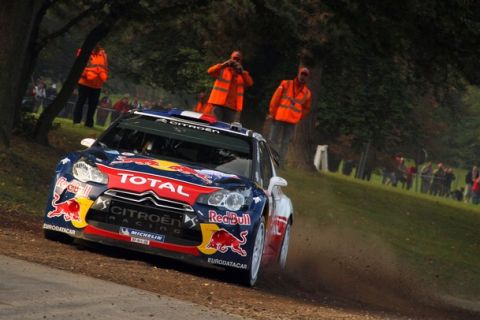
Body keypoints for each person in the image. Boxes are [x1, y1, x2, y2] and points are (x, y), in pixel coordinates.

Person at [268, 67, 312, 167]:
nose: (303, 77)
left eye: (305, 75)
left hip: (291, 121)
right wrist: (272, 113)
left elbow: (306, 108)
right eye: (302, 74)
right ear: (298, 74)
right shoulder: (285, 84)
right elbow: (275, 99)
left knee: (285, 143)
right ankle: (269, 160)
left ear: (307, 78)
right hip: (279, 117)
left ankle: (280, 163)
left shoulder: (307, 93)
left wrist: (298, 116)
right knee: (273, 140)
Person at [207, 51, 253, 122]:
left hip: (231, 107)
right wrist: (223, 65)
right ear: (230, 59)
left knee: (226, 128)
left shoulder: (243, 75)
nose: (235, 61)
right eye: (234, 59)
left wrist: (241, 72)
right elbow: (210, 71)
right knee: (215, 124)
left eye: (238, 60)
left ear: (241, 61)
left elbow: (250, 83)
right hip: (218, 104)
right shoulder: (222, 70)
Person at [73, 43, 109, 127]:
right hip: (85, 82)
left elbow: (105, 68)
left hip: (97, 85)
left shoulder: (103, 55)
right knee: (80, 102)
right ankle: (77, 121)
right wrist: (86, 75)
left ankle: (89, 123)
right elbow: (80, 65)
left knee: (93, 105)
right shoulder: (85, 51)